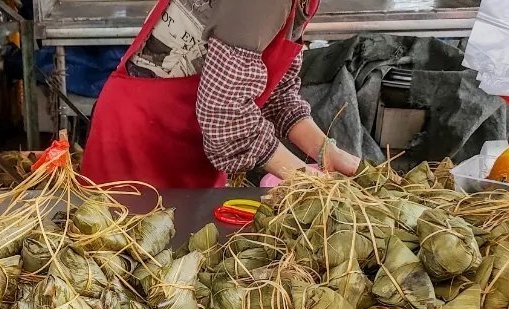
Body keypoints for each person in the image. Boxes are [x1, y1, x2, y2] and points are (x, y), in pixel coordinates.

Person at [82, 0, 361, 188]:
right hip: (141, 145)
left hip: (190, 145)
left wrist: (328, 153)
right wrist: (307, 184)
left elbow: (275, 94)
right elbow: (226, 115)